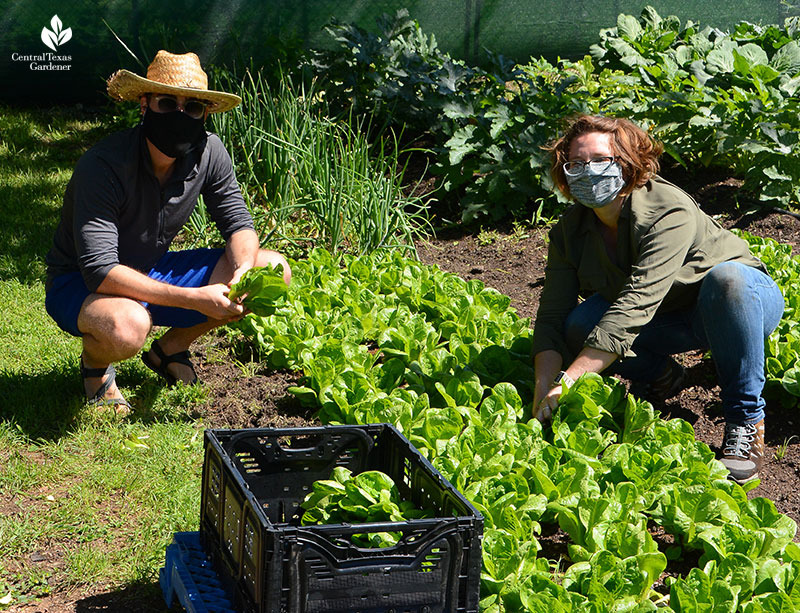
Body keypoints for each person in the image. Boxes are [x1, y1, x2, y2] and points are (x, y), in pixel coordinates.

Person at [531, 114, 784, 484]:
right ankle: (662, 373)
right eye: (576, 163)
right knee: (578, 325)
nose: (588, 171)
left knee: (727, 280)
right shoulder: (570, 232)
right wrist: (542, 387)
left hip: (737, 305)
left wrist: (567, 381)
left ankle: (746, 420)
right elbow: (552, 318)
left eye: (601, 160)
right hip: (665, 319)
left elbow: (635, 303)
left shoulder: (668, 209)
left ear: (628, 162)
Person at [44, 50, 291, 415]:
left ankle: (169, 349)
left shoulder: (210, 152)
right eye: (166, 102)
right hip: (79, 282)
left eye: (192, 106)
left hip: (149, 268)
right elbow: (100, 270)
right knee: (128, 326)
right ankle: (95, 369)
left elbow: (239, 223)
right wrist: (193, 299)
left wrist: (241, 270)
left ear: (204, 114)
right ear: (144, 105)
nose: (180, 114)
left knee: (269, 271)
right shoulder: (104, 165)